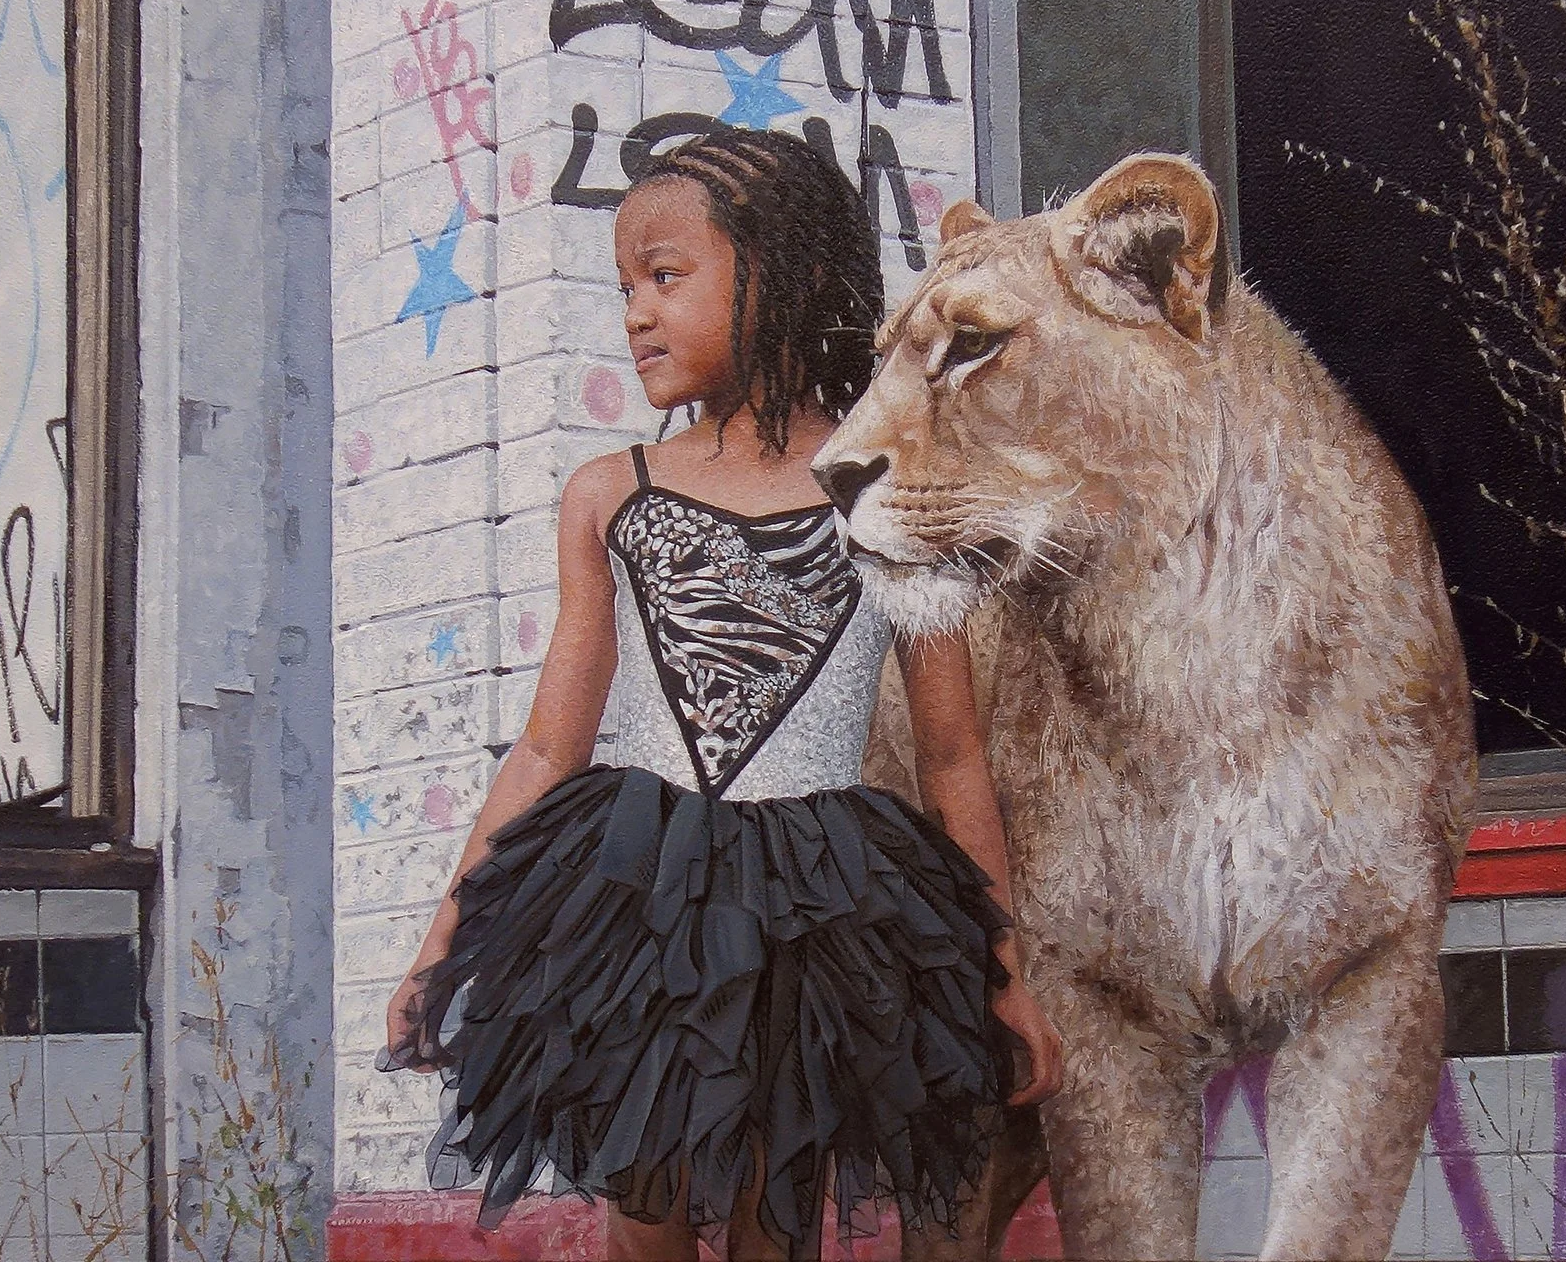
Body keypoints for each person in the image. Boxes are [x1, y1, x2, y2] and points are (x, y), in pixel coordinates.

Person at [379, 126, 1064, 1262]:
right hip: (639, 902)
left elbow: (952, 757)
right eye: (624, 288)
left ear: (782, 275)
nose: (635, 314)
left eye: (665, 276)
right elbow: (547, 749)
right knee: (643, 1216)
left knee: (775, 1222)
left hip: (819, 918)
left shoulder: (886, 500)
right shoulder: (610, 495)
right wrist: (439, 945)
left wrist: (1006, 978)